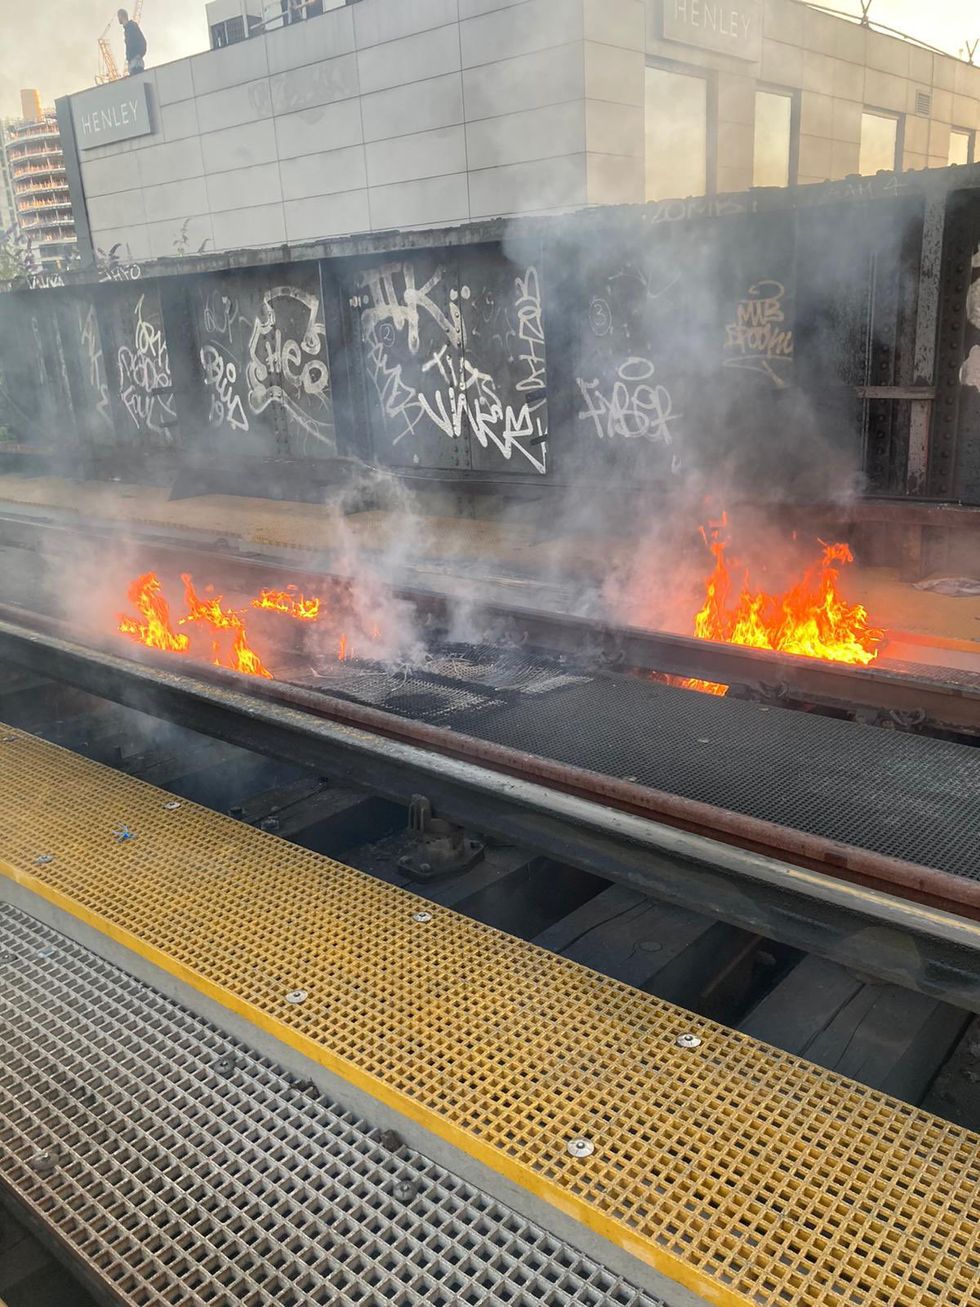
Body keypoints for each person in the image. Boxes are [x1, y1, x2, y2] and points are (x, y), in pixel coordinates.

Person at [118, 9, 147, 75]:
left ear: (121, 16)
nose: (118, 19)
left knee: (137, 80)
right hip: (132, 62)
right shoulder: (127, 29)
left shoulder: (131, 26)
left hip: (136, 62)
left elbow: (142, 41)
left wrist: (139, 54)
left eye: (118, 16)